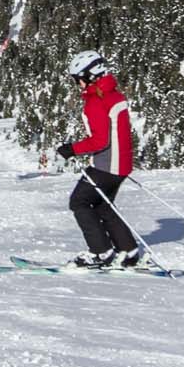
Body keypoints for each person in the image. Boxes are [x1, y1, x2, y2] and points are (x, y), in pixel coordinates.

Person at [55, 50, 142, 268]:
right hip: (121, 165)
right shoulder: (114, 95)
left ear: (90, 76)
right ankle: (128, 251)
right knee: (103, 206)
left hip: (106, 165)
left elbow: (100, 141)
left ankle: (100, 253)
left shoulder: (96, 101)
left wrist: (71, 149)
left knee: (79, 202)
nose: (78, 85)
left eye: (78, 79)